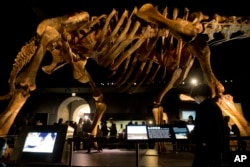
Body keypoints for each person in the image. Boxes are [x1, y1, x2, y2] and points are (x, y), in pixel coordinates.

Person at [188, 83, 224, 167]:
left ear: (198, 95)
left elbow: (201, 126)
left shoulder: (203, 106)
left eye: (194, 97)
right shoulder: (214, 105)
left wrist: (192, 135)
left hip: (206, 145)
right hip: (216, 144)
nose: (195, 100)